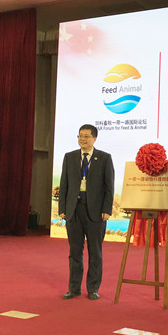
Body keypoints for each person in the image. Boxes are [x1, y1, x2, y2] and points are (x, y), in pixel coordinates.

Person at [59, 124, 114, 300]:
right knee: (75, 252)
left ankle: (93, 288)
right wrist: (62, 209)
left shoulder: (104, 158)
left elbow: (109, 187)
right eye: (80, 136)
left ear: (94, 139)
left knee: (95, 252)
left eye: (86, 136)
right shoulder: (69, 157)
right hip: (74, 211)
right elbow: (64, 184)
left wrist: (107, 209)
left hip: (96, 213)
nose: (82, 139)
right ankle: (73, 288)